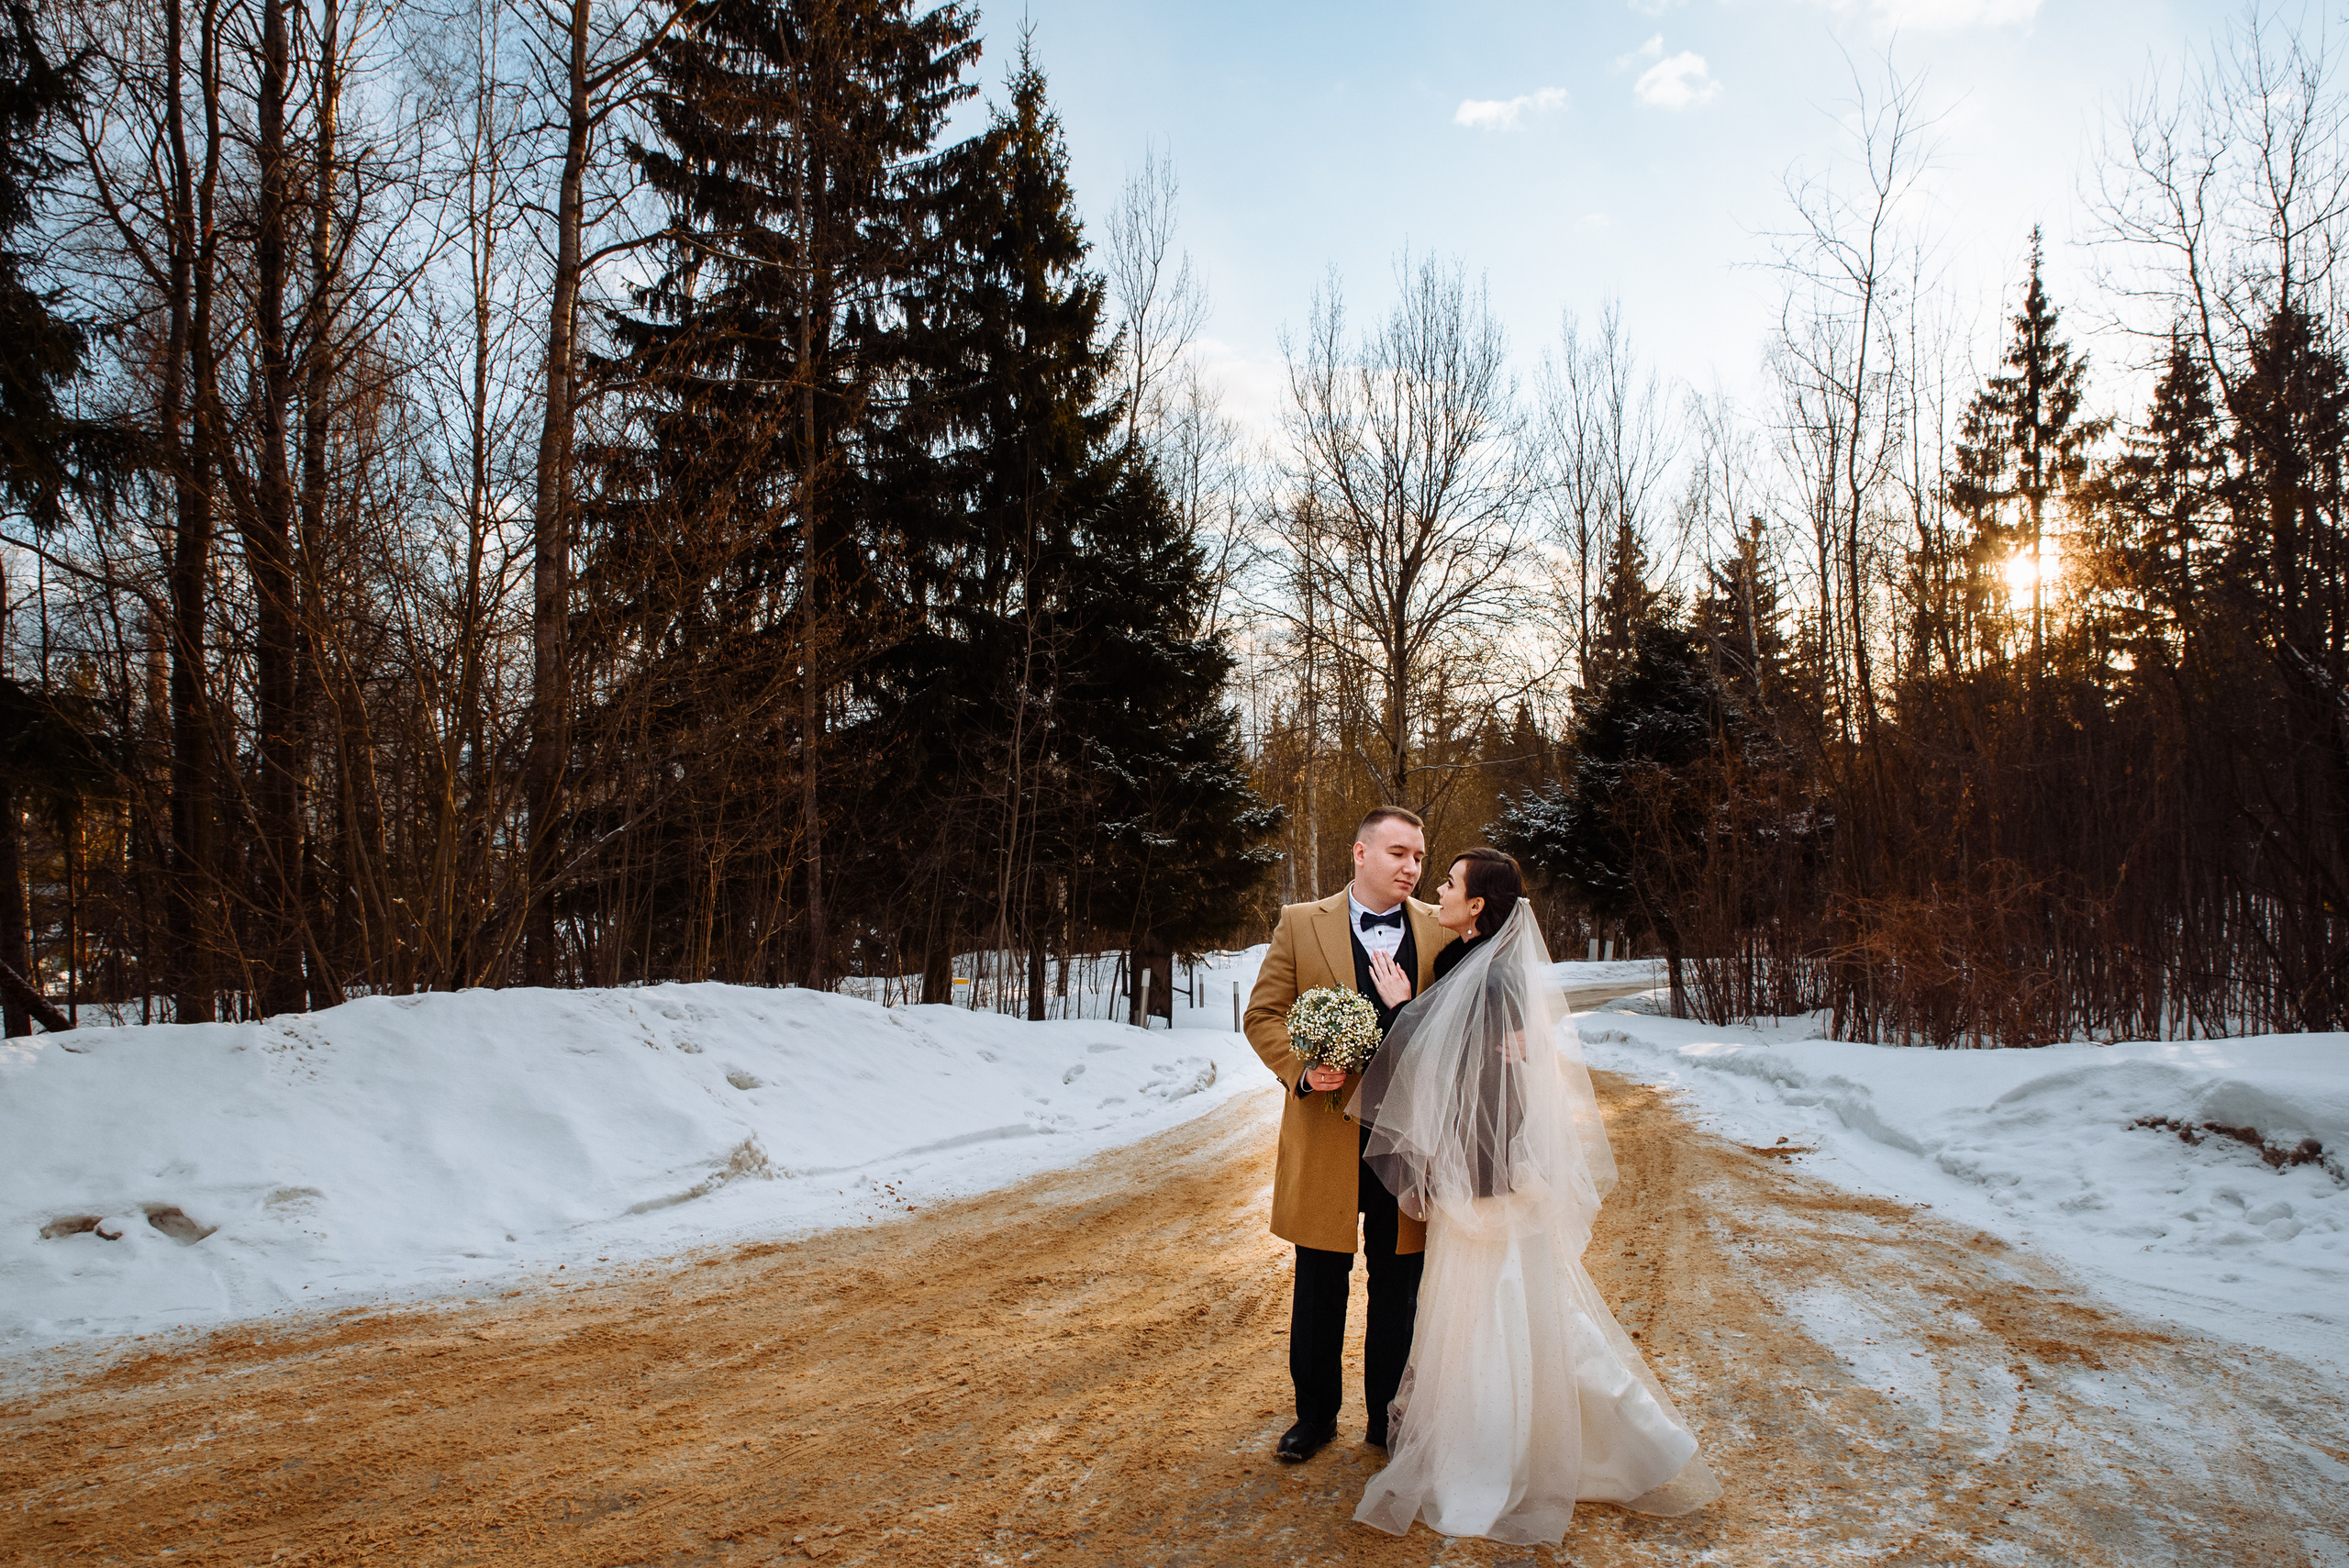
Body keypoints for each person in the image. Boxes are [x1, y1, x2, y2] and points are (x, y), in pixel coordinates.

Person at [1348, 850, 1720, 1543]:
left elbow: (1481, 1082)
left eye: (1450, 883)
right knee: (1490, 1304)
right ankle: (1523, 1438)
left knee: (1495, 1306)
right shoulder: (1467, 964)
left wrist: (1404, 1011)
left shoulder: (1490, 979)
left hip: (1489, 1174)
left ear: (1478, 905)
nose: (1438, 890)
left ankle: (1498, 1455)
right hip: (1477, 1169)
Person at [1242, 806, 1456, 1464]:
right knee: (1319, 1280)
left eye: (1419, 857)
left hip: (1405, 1140)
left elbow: (1460, 1022)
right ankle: (1314, 1417)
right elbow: (1263, 1014)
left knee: (1399, 1284)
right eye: (1398, 853)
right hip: (1326, 1136)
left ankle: (1387, 1420)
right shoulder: (1300, 923)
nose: (1412, 868)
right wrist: (1303, 1070)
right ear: (1361, 854)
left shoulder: (1439, 930)